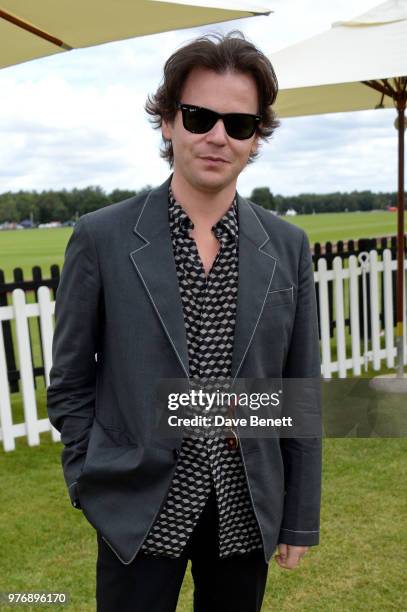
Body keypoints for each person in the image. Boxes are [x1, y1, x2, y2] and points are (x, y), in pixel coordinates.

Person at [47, 31, 322, 612]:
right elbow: (70, 380)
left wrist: (298, 518)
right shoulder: (101, 238)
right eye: (199, 116)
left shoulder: (288, 246)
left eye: (239, 124)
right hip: (137, 506)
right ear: (169, 122)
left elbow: (298, 395)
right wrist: (89, 478)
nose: (218, 136)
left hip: (245, 506)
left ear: (256, 139)